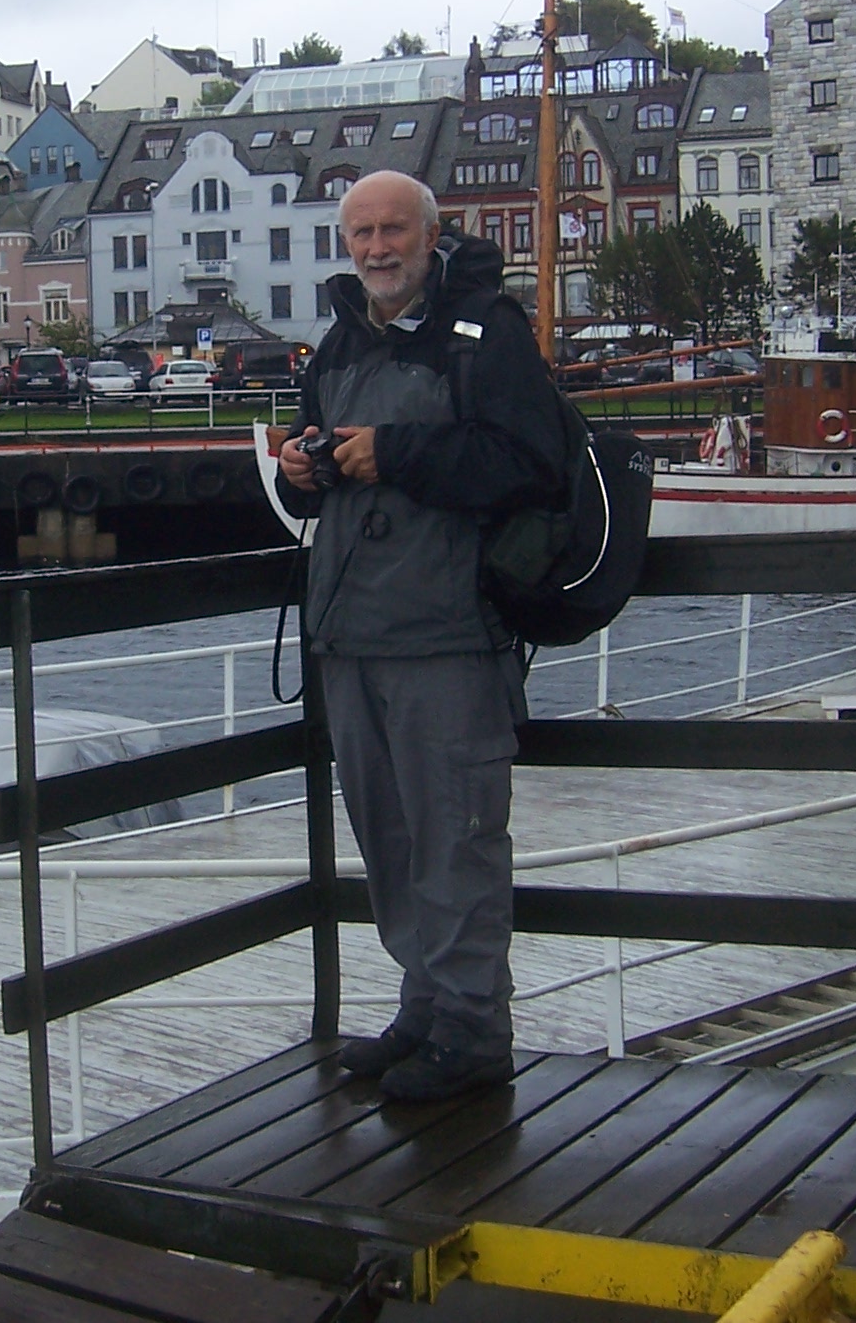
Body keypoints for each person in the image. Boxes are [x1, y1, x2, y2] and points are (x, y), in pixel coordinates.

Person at [275, 169, 570, 1101]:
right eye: (360, 232)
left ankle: (474, 1032)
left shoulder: (486, 331)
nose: (376, 248)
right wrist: (298, 470)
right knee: (393, 841)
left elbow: (532, 463)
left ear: (430, 236)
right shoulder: (338, 343)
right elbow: (310, 473)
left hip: (447, 636)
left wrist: (396, 451)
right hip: (350, 637)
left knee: (458, 841)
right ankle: (425, 1008)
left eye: (393, 229)